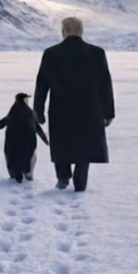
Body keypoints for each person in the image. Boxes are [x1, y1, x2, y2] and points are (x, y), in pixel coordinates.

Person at [33, 17, 114, 192]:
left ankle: (63, 176)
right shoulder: (97, 53)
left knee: (61, 140)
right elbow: (105, 85)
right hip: (90, 109)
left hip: (60, 108)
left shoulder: (51, 53)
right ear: (81, 31)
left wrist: (38, 111)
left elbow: (41, 85)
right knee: (84, 144)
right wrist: (108, 113)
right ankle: (80, 180)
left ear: (63, 32)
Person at [0, 93, 49, 183]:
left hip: (12, 144)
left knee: (13, 157)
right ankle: (28, 174)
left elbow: (2, 122)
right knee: (29, 157)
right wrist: (45, 140)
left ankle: (16, 173)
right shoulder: (30, 113)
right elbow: (38, 128)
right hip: (28, 145)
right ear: (24, 100)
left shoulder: (13, 112)